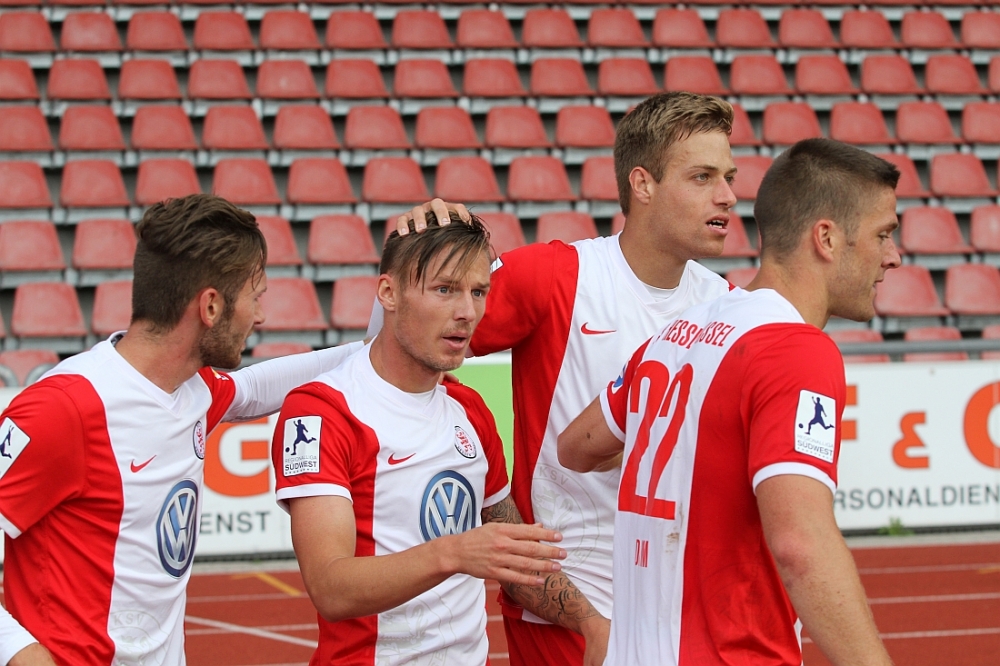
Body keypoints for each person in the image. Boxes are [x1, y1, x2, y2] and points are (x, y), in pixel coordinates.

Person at [376, 91, 739, 665]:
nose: (727, 196)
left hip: (679, 606)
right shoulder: (555, 275)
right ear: (642, 185)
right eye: (703, 177)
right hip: (570, 608)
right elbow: (397, 343)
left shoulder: (727, 306)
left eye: (728, 177)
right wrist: (411, 256)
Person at [558, 138, 900, 666]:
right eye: (883, 234)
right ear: (827, 238)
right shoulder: (795, 349)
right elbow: (800, 545)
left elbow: (576, 447)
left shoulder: (675, 334)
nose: (893, 256)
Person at [0, 194, 367, 666]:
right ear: (210, 306)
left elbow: (254, 388)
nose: (260, 317)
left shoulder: (194, 389)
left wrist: (374, 349)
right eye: (255, 297)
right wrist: (21, 653)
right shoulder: (63, 407)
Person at [271, 213, 609, 665]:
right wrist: (453, 552)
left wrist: (593, 623)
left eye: (478, 292)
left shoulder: (469, 408)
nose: (467, 312)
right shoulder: (322, 411)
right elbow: (331, 588)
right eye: (445, 289)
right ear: (388, 293)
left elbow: (514, 560)